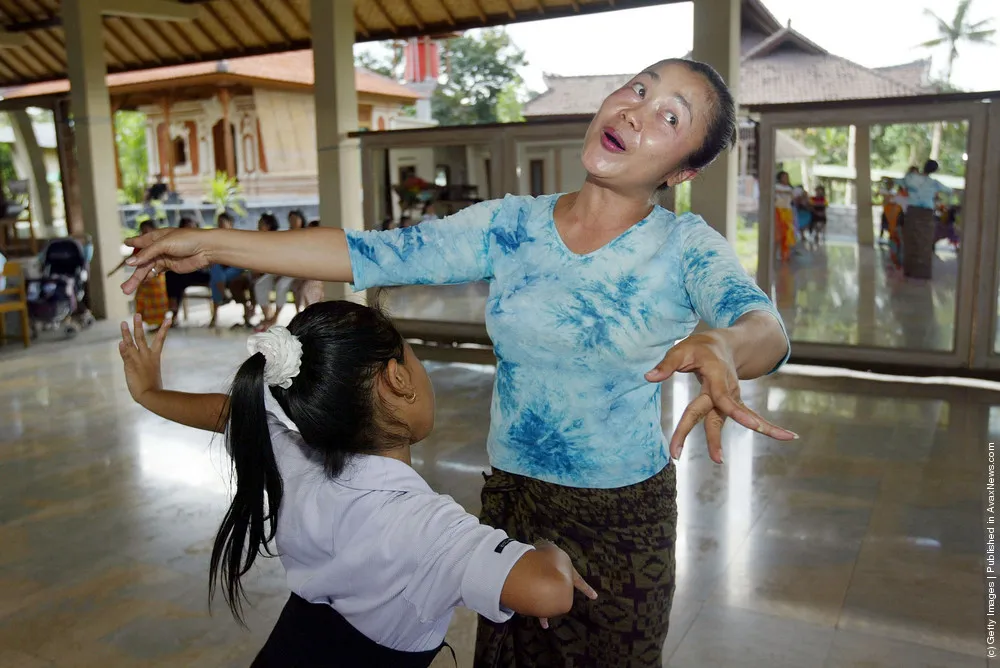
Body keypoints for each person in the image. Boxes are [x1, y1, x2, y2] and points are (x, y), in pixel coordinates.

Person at [122, 57, 794, 668]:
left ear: (683, 170)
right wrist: (209, 242)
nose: (637, 110)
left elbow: (764, 326)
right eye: (638, 88)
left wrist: (723, 346)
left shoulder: (683, 245)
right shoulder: (512, 225)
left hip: (623, 515)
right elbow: (367, 252)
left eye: (669, 116)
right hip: (513, 497)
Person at [117, 302, 597, 666]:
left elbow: (233, 413)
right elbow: (549, 591)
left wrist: (148, 394)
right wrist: (550, 548)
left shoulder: (294, 454)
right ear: (398, 379)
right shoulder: (426, 529)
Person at [108, 220, 169, 329]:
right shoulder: (140, 244)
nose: (144, 232)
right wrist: (114, 270)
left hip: (156, 276)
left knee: (157, 301)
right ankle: (151, 323)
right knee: (142, 299)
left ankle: (161, 324)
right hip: (144, 278)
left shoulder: (160, 242)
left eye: (146, 230)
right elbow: (130, 258)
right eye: (142, 230)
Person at [899, 159, 951, 279]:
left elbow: (900, 182)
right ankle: (922, 272)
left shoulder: (911, 178)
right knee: (925, 244)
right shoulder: (934, 183)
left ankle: (909, 271)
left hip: (912, 212)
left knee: (910, 241)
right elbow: (949, 191)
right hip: (926, 214)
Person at [252, 213, 295, 332]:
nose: (258, 226)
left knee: (281, 286)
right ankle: (267, 316)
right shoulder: (259, 239)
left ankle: (275, 317)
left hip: (289, 270)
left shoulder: (279, 237)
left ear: (269, 225)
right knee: (259, 285)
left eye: (261, 223)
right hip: (274, 271)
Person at [774, 171, 795, 261]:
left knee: (787, 233)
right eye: (783, 177)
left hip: (787, 211)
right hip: (779, 211)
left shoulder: (790, 188)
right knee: (779, 232)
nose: (785, 179)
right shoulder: (776, 186)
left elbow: (792, 197)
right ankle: (777, 252)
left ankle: (785, 253)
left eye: (786, 177)